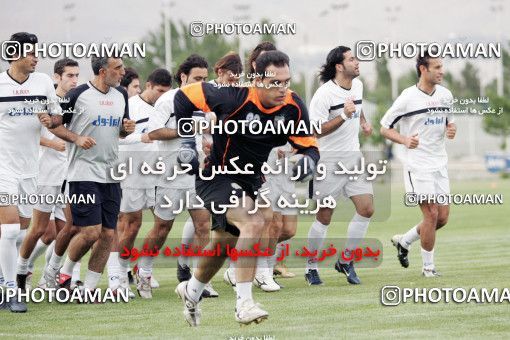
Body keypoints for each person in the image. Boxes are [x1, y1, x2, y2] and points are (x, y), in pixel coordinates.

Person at [174, 50, 319, 326]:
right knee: (254, 221)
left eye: (286, 81)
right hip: (215, 175)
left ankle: (191, 292)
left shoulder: (293, 106)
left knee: (223, 244)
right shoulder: (231, 96)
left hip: (249, 180)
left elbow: (309, 147)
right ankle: (244, 304)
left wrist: (308, 162)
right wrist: (185, 143)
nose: (282, 89)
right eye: (275, 82)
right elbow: (184, 96)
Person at [43, 55, 135, 295]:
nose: (123, 72)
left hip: (111, 174)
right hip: (82, 173)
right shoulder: (78, 95)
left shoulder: (121, 95)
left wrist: (125, 131)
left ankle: (89, 288)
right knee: (89, 231)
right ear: (103, 71)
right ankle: (57, 271)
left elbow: (118, 133)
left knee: (107, 234)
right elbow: (54, 125)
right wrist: (77, 138)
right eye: (118, 68)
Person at [137, 54, 212, 299]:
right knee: (162, 228)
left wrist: (208, 145)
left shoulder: (205, 100)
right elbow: (154, 132)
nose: (201, 82)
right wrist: (185, 130)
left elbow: (205, 133)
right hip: (169, 174)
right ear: (183, 77)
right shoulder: (168, 100)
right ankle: (144, 272)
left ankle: (202, 281)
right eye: (196, 78)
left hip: (197, 175)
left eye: (204, 78)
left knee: (204, 225)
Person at [380, 51, 456, 277]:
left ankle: (404, 241)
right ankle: (428, 268)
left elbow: (449, 123)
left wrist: (451, 129)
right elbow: (384, 127)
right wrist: (404, 140)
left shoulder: (446, 95)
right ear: (423, 69)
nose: (441, 71)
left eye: (442, 66)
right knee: (431, 214)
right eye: (437, 67)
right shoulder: (407, 98)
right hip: (417, 165)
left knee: (441, 218)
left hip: (440, 164)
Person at [0, 32, 60, 312]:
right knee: (10, 230)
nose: (36, 57)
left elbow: (57, 117)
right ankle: (12, 291)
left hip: (30, 169)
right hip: (3, 167)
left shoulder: (44, 82)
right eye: (30, 53)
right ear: (14, 53)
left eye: (37, 52)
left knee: (21, 233)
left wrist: (51, 119)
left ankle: (3, 277)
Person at [304, 46, 374, 286]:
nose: (357, 62)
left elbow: (358, 108)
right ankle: (310, 266)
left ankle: (346, 261)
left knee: (367, 209)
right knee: (324, 216)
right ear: (339, 66)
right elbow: (315, 130)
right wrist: (344, 116)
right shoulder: (324, 95)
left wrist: (363, 122)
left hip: (353, 157)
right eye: (351, 59)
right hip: (328, 160)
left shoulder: (358, 85)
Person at [107, 68, 172, 298]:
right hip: (132, 171)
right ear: (148, 85)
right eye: (159, 91)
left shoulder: (167, 108)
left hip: (159, 173)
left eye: (167, 91)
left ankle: (143, 270)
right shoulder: (131, 105)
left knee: (164, 222)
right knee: (131, 224)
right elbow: (115, 138)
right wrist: (142, 137)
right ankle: (119, 275)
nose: (162, 95)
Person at [16, 58, 79, 292]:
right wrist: (54, 145)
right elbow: (31, 135)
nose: (74, 80)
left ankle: (56, 276)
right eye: (69, 76)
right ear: (57, 78)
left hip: (69, 175)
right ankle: (21, 270)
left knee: (72, 228)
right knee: (42, 230)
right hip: (46, 174)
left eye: (76, 75)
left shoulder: (76, 102)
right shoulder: (45, 101)